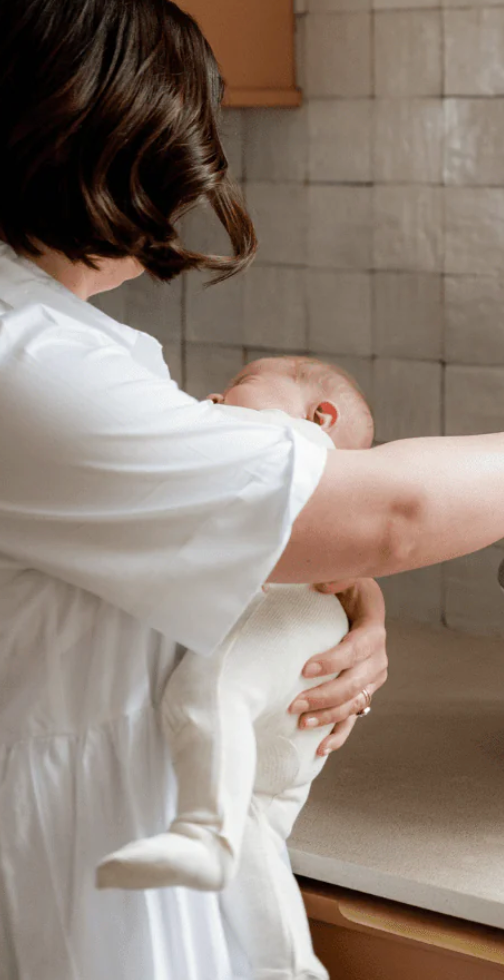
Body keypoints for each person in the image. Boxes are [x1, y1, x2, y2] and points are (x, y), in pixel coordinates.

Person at [0, 0, 504, 980]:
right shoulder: (28, 365)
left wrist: (342, 596)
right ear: (90, 146)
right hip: (65, 866)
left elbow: (189, 537)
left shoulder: (56, 346)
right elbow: (392, 511)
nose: (180, 204)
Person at [97, 357, 378, 980]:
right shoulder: (290, 450)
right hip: (291, 656)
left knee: (202, 698)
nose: (219, 394)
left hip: (283, 623)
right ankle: (289, 966)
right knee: (256, 826)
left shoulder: (294, 440)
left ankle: (202, 831)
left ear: (319, 415)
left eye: (245, 384)